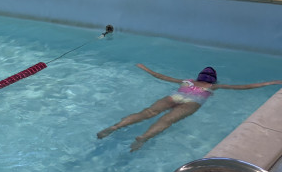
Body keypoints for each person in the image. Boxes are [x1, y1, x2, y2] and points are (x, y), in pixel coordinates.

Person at [97, 64, 282, 151]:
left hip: (175, 96)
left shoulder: (186, 81)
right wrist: (270, 82)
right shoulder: (212, 87)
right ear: (213, 80)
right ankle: (143, 137)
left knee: (147, 112)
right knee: (166, 120)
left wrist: (145, 69)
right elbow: (244, 87)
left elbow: (161, 76)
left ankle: (116, 126)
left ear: (198, 76)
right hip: (193, 102)